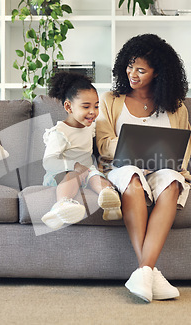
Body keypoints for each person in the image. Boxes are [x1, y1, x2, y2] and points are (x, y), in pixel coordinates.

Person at [96, 34, 191, 302]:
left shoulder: (176, 107)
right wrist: (129, 146)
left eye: (141, 70)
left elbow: (183, 146)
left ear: (157, 73)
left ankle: (143, 272)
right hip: (122, 168)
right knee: (131, 177)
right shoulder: (111, 100)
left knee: (173, 182)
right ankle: (149, 272)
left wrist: (174, 164)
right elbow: (104, 143)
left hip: (160, 169)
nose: (133, 73)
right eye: (130, 66)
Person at [41, 72, 122, 230]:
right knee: (75, 174)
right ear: (68, 107)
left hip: (87, 170)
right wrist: (74, 165)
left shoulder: (90, 126)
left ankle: (109, 200)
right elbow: (48, 162)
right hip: (62, 173)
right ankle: (61, 204)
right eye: (86, 106)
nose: (93, 111)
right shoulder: (60, 132)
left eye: (96, 106)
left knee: (97, 178)